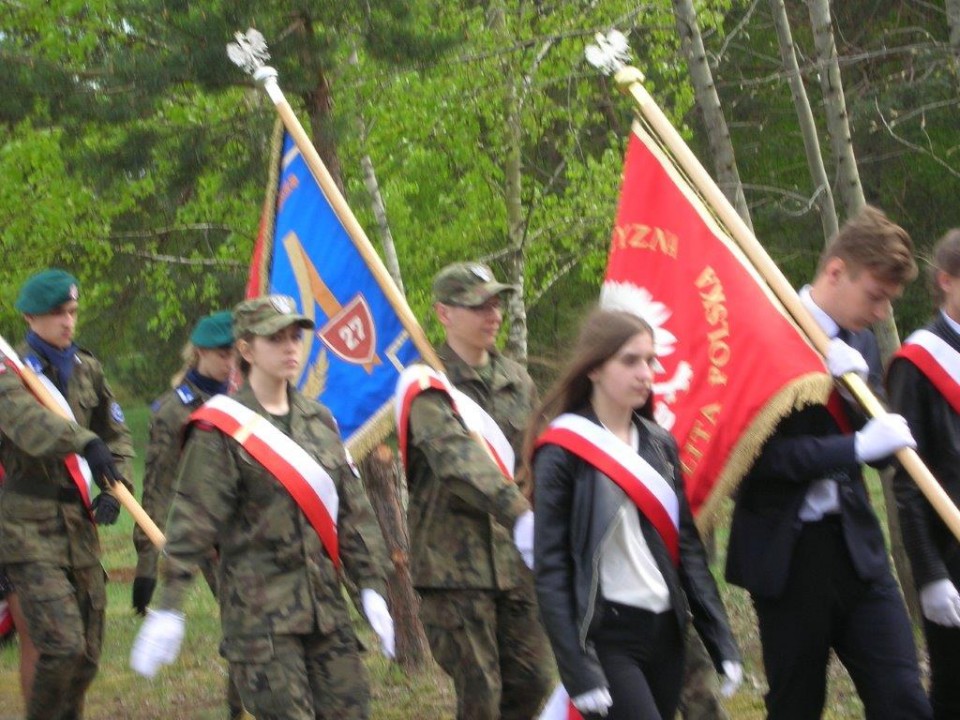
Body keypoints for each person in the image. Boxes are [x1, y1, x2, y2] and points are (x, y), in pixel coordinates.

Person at [130, 295, 394, 720]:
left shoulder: (319, 420)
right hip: (262, 620)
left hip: (326, 613)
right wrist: (170, 603)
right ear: (247, 350)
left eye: (295, 337)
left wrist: (372, 585)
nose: (290, 347)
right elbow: (194, 520)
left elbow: (352, 511)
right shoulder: (222, 428)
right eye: (276, 338)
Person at [724, 206, 931, 719]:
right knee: (796, 706)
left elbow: (878, 451)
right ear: (836, 271)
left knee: (904, 699)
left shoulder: (859, 340)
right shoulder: (763, 332)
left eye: (888, 301)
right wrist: (851, 448)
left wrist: (863, 404)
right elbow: (752, 458)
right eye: (875, 296)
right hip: (789, 556)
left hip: (859, 550)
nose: (881, 312)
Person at [526, 308, 741, 720]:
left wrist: (721, 639)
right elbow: (551, 570)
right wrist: (577, 668)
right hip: (609, 635)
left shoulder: (660, 444)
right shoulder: (563, 450)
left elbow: (688, 550)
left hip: (666, 634)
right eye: (630, 361)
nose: (646, 373)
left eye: (650, 360)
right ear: (593, 368)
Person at [396, 262, 553, 719]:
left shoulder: (516, 379)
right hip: (454, 566)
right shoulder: (425, 383)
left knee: (533, 681)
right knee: (480, 692)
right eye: (478, 305)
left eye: (496, 303)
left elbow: (539, 457)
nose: (493, 314)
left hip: (516, 562)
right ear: (444, 313)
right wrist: (520, 513)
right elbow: (456, 460)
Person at [0, 267, 134, 719]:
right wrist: (84, 441)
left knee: (87, 657)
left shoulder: (86, 368)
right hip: (28, 529)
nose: (67, 322)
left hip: (79, 528)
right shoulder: (11, 372)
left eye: (73, 311)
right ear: (29, 317)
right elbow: (29, 425)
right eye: (57, 313)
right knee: (60, 646)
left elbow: (115, 435)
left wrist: (117, 487)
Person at [131, 309, 245, 718]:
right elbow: (158, 488)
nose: (231, 363)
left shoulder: (245, 399)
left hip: (254, 528)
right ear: (199, 353)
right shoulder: (173, 411)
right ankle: (242, 709)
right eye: (222, 354)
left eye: (236, 354)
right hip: (209, 537)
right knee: (242, 625)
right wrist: (147, 564)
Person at [887, 228, 960, 719]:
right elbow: (908, 484)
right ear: (946, 281)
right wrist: (931, 574)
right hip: (952, 556)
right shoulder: (919, 362)